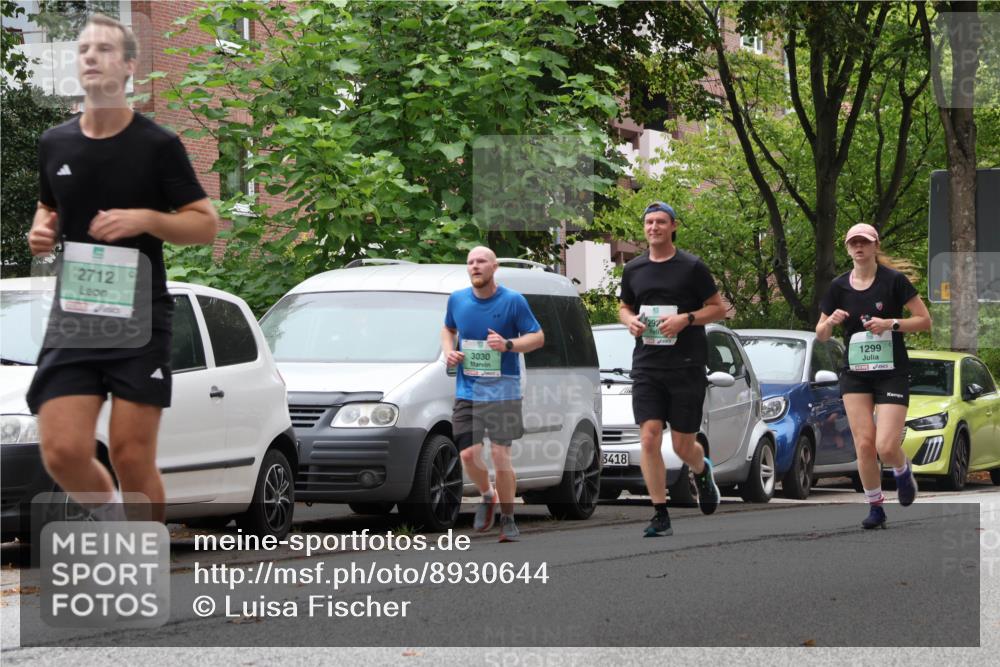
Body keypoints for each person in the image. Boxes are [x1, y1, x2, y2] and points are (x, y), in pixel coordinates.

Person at [25, 14, 219, 523]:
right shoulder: (55, 143)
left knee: (132, 456)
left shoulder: (157, 146)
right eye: (84, 49)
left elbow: (205, 224)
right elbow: (49, 206)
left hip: (138, 315)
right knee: (62, 451)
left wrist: (147, 218)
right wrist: (41, 230)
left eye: (104, 49)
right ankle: (115, 517)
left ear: (129, 66)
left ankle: (141, 562)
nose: (90, 56)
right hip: (76, 315)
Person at [619, 202, 728, 537]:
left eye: (661, 222)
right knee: (649, 437)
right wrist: (630, 322)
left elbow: (719, 309)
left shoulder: (692, 267)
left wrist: (686, 319)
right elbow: (624, 306)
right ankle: (659, 512)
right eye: (649, 222)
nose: (654, 227)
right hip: (648, 367)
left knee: (683, 446)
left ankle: (701, 468)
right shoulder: (634, 269)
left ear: (673, 226)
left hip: (686, 366)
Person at [816, 223, 931, 529]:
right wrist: (831, 321)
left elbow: (924, 321)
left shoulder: (893, 281)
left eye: (864, 242)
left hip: (891, 372)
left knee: (886, 446)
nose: (859, 247)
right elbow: (821, 333)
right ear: (847, 248)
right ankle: (875, 507)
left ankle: (902, 470)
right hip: (856, 374)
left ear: (875, 246)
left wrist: (891, 324)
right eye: (853, 242)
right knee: (864, 444)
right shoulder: (839, 286)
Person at [441, 247, 544, 542]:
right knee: (467, 454)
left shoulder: (513, 301)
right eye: (470, 262)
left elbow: (538, 337)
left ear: (494, 267)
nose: (475, 266)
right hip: (468, 390)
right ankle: (488, 495)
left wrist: (508, 345)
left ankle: (509, 519)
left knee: (500, 455)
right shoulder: (457, 299)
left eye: (481, 261)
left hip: (504, 390)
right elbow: (447, 330)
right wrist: (450, 352)